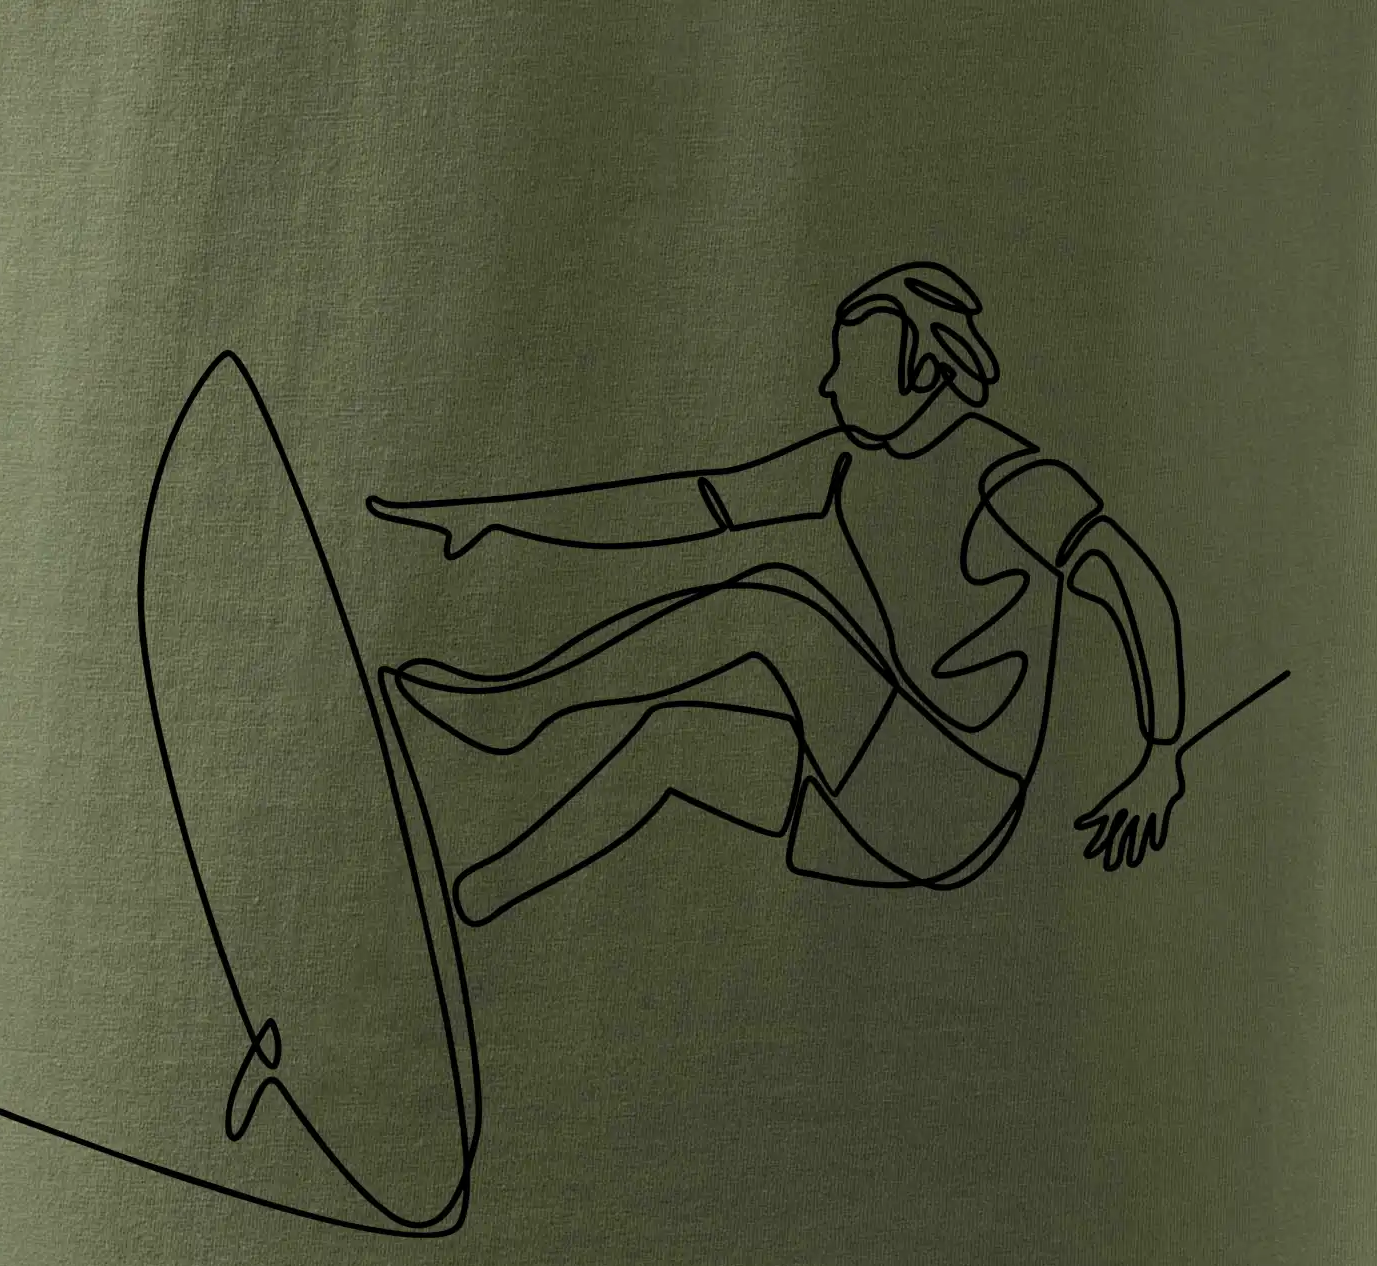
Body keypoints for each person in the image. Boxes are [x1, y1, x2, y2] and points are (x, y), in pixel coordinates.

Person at [368, 261, 1189, 925]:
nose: (830, 385)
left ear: (921, 373)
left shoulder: (1005, 478)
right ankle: (479, 895)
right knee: (672, 744)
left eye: (854, 366)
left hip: (953, 798)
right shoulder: (848, 460)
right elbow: (696, 502)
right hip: (881, 794)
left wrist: (1160, 752)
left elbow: (1131, 581)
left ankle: (517, 711)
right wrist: (502, 518)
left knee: (774, 605)